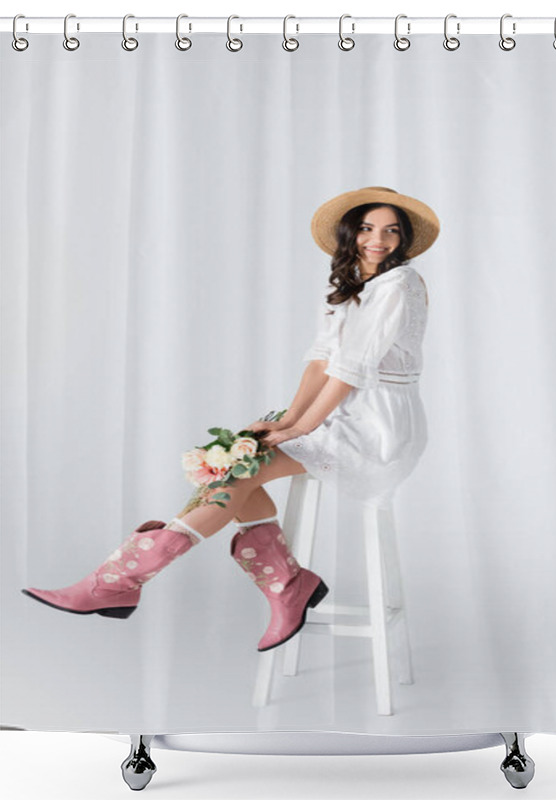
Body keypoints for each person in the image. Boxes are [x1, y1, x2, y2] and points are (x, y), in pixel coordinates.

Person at [21, 186, 440, 654]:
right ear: (350, 233)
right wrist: (288, 417)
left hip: (376, 426)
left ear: (403, 240)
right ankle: (284, 586)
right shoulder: (350, 283)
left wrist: (298, 429)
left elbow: (350, 370)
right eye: (366, 228)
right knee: (234, 462)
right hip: (337, 410)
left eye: (390, 231)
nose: (376, 240)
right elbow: (321, 361)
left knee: (241, 469)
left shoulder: (397, 286)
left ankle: (115, 584)